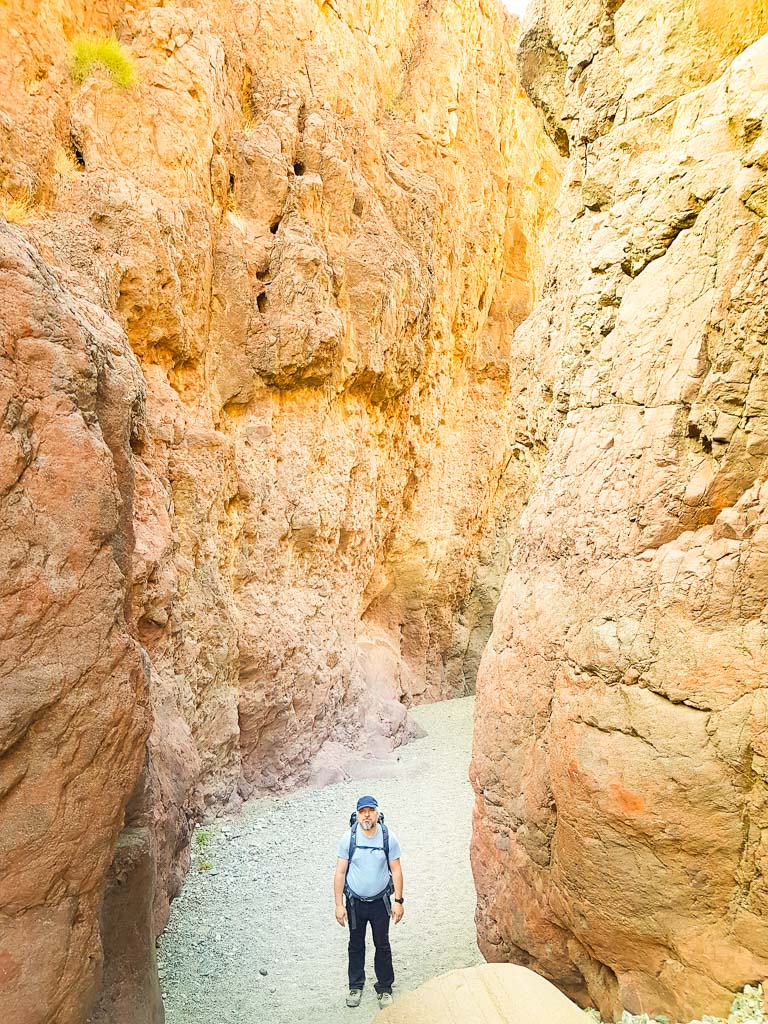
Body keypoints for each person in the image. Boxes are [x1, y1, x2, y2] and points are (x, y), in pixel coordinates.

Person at [334, 795, 404, 1010]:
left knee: (382, 944)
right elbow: (340, 872)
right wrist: (339, 904)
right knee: (355, 945)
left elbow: (396, 869)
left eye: (370, 810)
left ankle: (384, 988)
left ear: (376, 813)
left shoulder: (387, 837)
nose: (366, 815)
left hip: (380, 902)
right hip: (355, 903)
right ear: (356, 814)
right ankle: (355, 986)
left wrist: (398, 901)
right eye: (362, 811)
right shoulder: (349, 838)